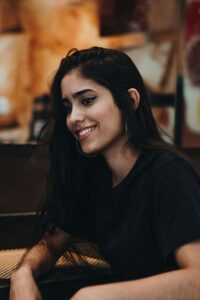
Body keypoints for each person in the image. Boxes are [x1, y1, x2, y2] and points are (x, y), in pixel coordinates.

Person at [10, 46, 200, 300]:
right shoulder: (96, 177)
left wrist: (94, 296)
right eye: (68, 107)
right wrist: (23, 274)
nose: (73, 118)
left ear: (130, 101)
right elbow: (51, 243)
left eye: (87, 100)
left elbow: (197, 280)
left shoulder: (168, 173)